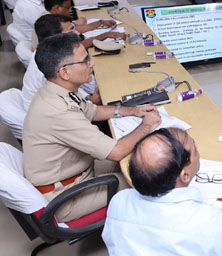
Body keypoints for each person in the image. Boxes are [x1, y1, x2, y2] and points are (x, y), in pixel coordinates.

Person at [22, 33, 161, 222]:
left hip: (79, 172)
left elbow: (92, 111)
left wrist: (132, 111)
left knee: (141, 159)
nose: (92, 63)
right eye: (85, 60)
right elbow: (116, 151)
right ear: (65, 72)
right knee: (147, 179)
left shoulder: (58, 90)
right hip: (67, 196)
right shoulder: (57, 111)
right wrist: (147, 125)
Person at [103, 128, 222, 255]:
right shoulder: (212, 222)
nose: (198, 151)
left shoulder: (119, 201)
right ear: (185, 175)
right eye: (195, 149)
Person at [22, 14, 103, 113]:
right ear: (56, 39)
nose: (77, 33)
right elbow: (70, 100)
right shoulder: (48, 66)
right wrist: (92, 102)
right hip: (51, 113)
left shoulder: (48, 53)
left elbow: (70, 85)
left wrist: (89, 97)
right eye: (71, 31)